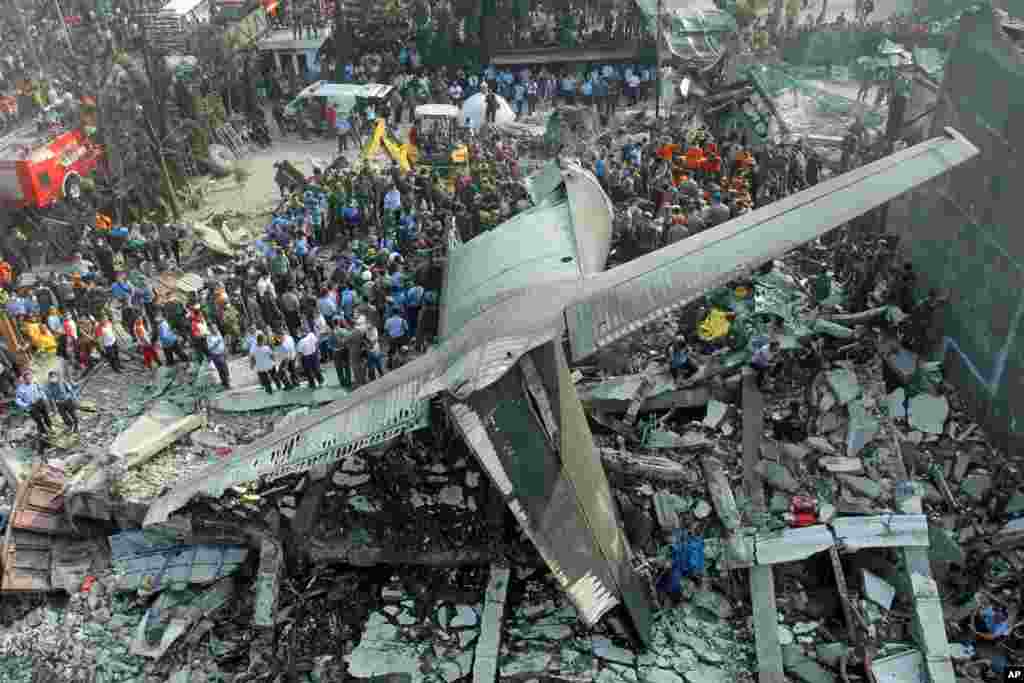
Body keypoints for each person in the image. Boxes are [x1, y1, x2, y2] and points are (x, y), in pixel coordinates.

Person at [16, 371, 52, 435]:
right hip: (31, 405)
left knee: (46, 415)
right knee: (38, 419)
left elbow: (41, 390)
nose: (29, 380)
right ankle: (44, 432)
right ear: (24, 380)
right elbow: (18, 400)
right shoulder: (20, 388)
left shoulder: (35, 383)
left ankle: (50, 427)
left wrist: (44, 398)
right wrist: (25, 405)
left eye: (30, 378)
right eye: (27, 379)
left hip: (40, 402)